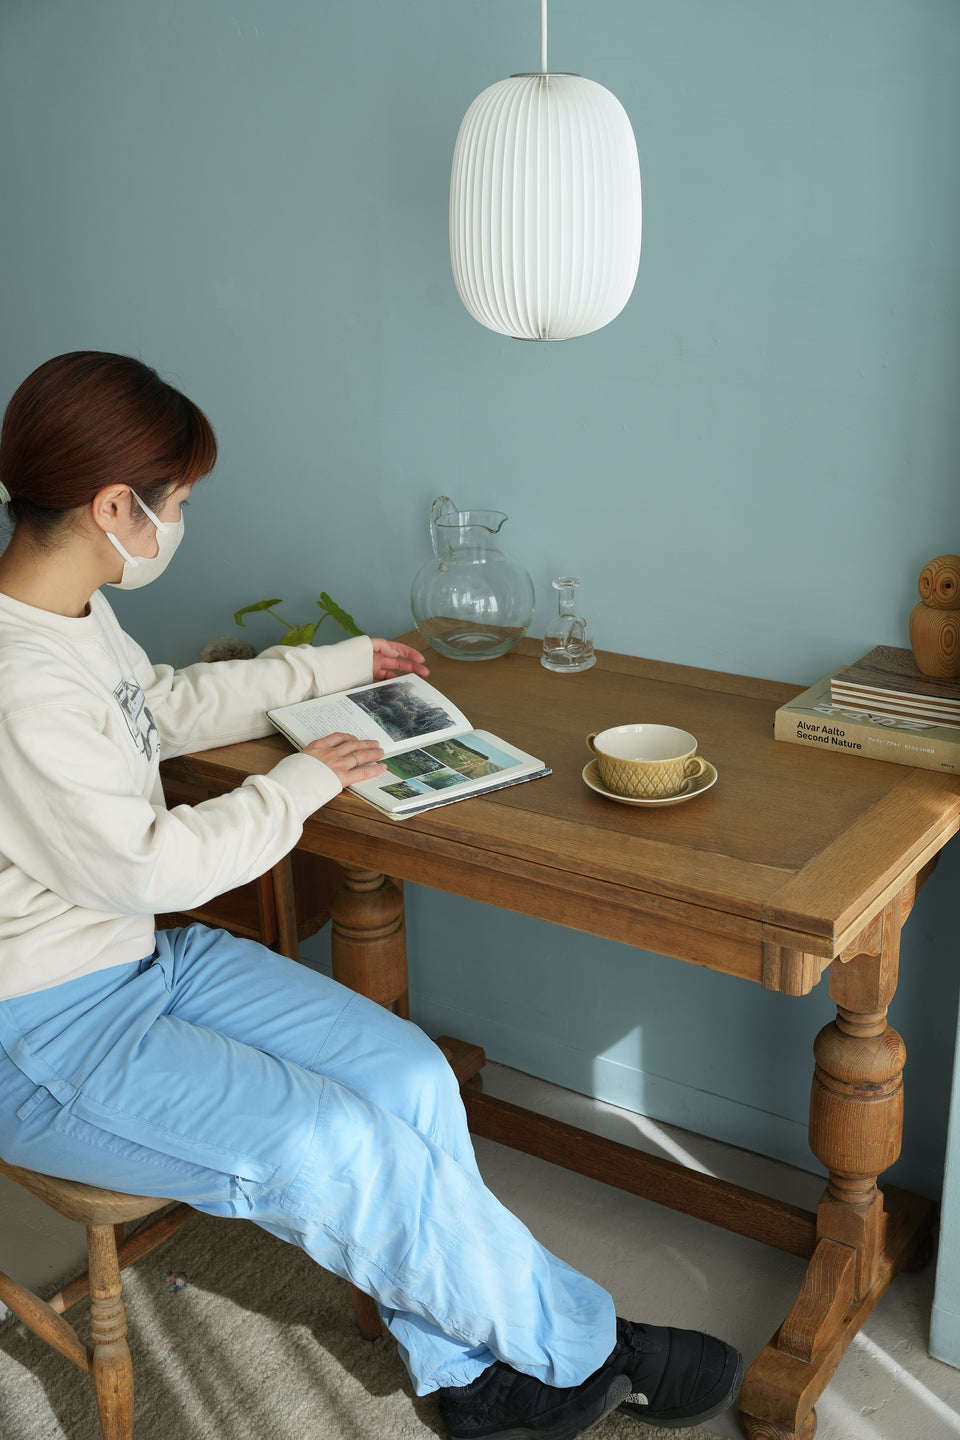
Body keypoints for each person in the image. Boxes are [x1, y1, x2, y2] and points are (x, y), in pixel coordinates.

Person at [0, 352, 743, 1440]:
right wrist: (306, 779)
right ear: (117, 506)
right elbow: (152, 867)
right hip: (43, 1035)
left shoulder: (69, 615)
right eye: (181, 505)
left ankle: (465, 1385)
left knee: (410, 1079)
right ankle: (592, 1349)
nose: (181, 523)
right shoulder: (17, 680)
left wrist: (335, 666)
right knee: (342, 1152)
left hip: (134, 967)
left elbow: (157, 703)